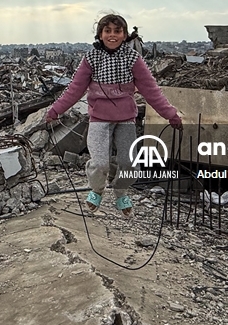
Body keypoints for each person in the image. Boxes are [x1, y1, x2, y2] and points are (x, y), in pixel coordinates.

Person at [45, 14, 183, 217]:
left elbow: (151, 90)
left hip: (126, 119)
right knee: (100, 163)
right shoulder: (91, 58)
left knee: (129, 165)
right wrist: (55, 110)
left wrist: (170, 114)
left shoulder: (132, 58)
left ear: (125, 35)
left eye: (117, 31)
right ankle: (97, 189)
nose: (112, 35)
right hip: (99, 119)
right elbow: (75, 89)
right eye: (107, 31)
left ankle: (120, 191)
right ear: (100, 34)